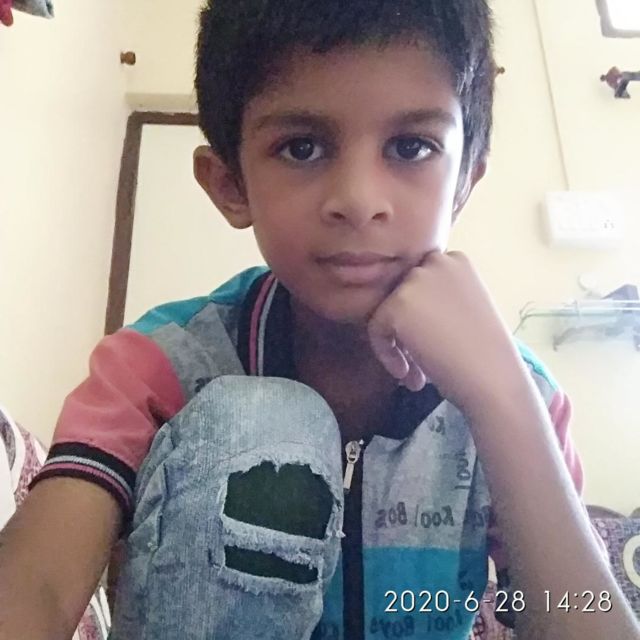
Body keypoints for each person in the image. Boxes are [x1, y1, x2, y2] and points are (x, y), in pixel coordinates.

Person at [1, 1, 639, 639]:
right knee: (260, 418)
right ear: (230, 185)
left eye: (411, 147)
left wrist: (503, 399)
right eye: (301, 147)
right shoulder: (159, 364)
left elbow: (581, 617)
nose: (358, 200)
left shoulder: (523, 394)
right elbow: (39, 589)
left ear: (466, 180)